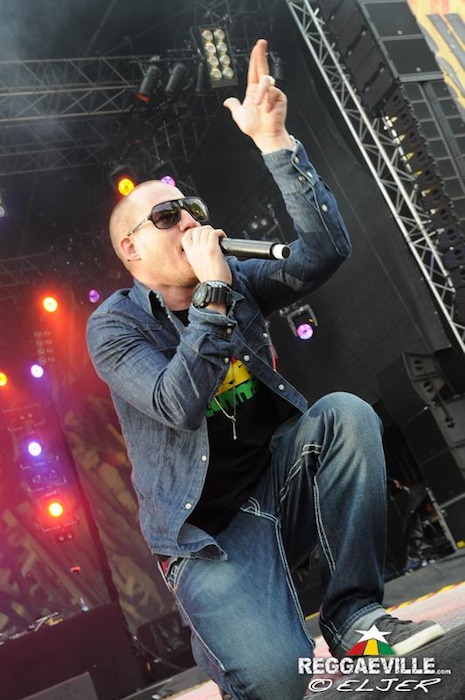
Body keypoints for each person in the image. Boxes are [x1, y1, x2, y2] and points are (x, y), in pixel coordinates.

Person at [87, 39, 444, 700]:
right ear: (131, 249)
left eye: (192, 210)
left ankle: (353, 616)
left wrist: (274, 143)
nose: (188, 221)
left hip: (281, 482)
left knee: (343, 417)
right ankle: (225, 629)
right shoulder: (114, 326)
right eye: (167, 216)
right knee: (282, 682)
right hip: (210, 537)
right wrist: (214, 293)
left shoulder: (237, 279)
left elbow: (324, 251)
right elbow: (176, 404)